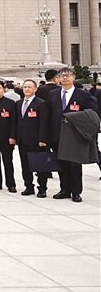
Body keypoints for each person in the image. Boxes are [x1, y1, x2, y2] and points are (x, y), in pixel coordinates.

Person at [48, 67, 96, 203]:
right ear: (58, 78)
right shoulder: (53, 94)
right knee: (61, 164)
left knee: (74, 164)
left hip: (74, 135)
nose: (65, 78)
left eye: (68, 75)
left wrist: (73, 117)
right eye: (62, 75)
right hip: (57, 134)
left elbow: (92, 112)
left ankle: (76, 192)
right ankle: (64, 189)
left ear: (73, 77)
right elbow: (49, 114)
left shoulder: (83, 95)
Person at [15, 79, 50, 198]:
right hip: (22, 140)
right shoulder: (19, 103)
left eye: (29, 87)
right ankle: (29, 186)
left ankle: (42, 188)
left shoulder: (41, 103)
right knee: (25, 165)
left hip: (36, 141)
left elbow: (44, 123)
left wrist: (42, 139)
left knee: (40, 165)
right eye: (25, 87)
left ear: (35, 89)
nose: (27, 89)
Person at [0, 80, 19, 192]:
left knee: (8, 162)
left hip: (6, 138)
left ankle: (11, 184)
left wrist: (13, 136)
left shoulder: (10, 103)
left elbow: (14, 121)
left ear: (3, 89)